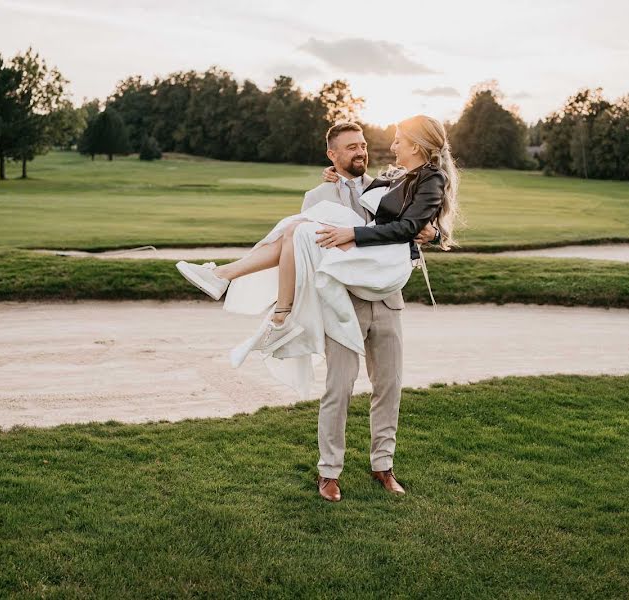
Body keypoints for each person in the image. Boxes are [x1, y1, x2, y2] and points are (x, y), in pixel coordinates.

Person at [176, 115, 460, 501]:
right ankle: (329, 472)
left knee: (388, 386)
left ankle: (383, 466)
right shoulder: (319, 195)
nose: (364, 151)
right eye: (352, 148)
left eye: (363, 145)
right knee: (338, 386)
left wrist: (435, 231)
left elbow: (414, 222)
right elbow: (305, 253)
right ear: (333, 156)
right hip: (344, 298)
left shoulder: (394, 178)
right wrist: (338, 187)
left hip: (386, 296)